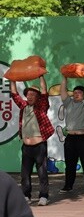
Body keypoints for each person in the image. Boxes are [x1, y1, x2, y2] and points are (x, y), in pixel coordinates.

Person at [10, 76, 54, 206]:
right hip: (26, 147)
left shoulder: (41, 107)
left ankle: (44, 196)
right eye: (28, 94)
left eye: (33, 94)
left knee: (42, 172)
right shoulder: (24, 107)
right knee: (25, 173)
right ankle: (26, 195)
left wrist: (41, 75)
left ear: (37, 97)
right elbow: (14, 94)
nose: (29, 96)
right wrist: (13, 78)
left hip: (39, 146)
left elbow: (45, 91)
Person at [59, 75, 84, 194]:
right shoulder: (68, 103)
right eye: (75, 92)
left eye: (79, 92)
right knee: (70, 164)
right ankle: (68, 186)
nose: (76, 94)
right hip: (70, 138)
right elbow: (63, 91)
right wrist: (65, 77)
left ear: (83, 94)